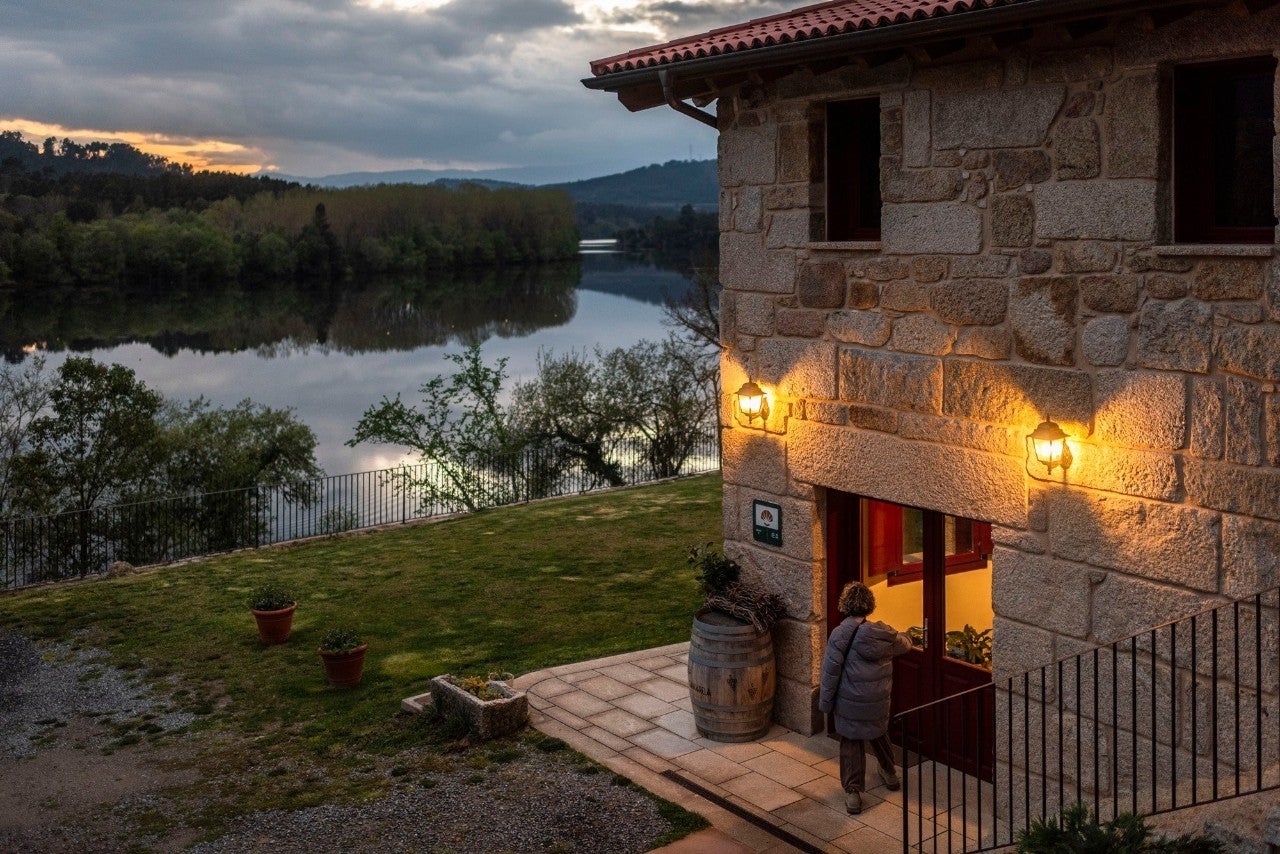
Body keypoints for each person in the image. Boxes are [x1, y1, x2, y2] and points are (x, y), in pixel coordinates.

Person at [817, 580, 912, 815]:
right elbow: (905, 645)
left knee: (851, 742)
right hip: (877, 701)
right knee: (879, 733)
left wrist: (825, 704)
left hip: (849, 701)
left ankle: (853, 794)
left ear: (845, 605)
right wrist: (905, 635)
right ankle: (890, 774)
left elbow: (830, 673)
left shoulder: (840, 635)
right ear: (869, 605)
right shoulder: (883, 633)